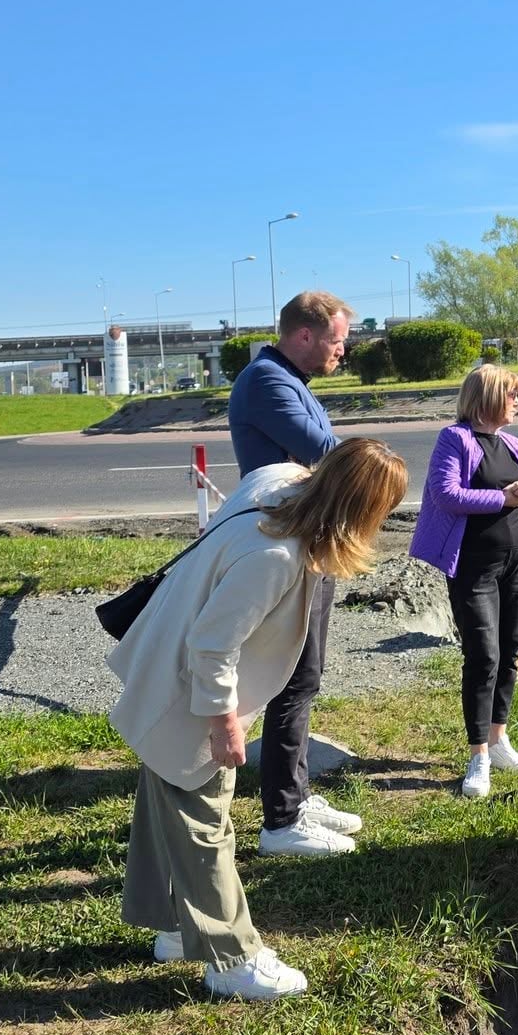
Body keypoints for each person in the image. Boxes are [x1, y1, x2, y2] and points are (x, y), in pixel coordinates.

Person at [110, 439, 408, 1001]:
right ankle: (232, 960)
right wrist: (225, 725)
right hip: (189, 691)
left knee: (164, 804)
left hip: (164, 667)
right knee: (205, 822)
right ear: (361, 511)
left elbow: (281, 466)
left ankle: (175, 924)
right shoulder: (277, 557)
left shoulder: (274, 488)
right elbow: (213, 646)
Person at [226, 289, 354, 858]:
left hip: (306, 536)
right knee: (294, 676)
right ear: (304, 334)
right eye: (336, 340)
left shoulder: (287, 380)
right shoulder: (269, 382)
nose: (341, 352)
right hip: (288, 542)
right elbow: (324, 449)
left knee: (305, 673)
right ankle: (281, 821)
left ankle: (294, 794)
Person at [410, 363, 518, 799]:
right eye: (512, 394)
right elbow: (445, 495)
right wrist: (503, 497)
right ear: (487, 398)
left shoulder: (513, 442)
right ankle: (478, 754)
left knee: (510, 651)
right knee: (483, 654)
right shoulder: (455, 438)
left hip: (517, 558)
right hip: (474, 566)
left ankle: (499, 739)